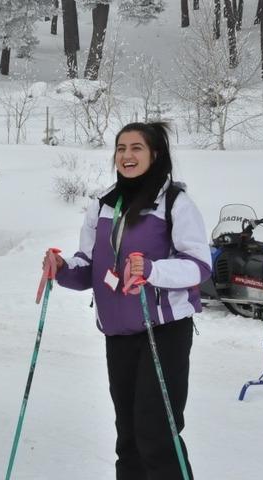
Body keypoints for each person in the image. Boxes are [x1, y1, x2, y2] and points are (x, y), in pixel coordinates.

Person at [47, 122, 211, 479]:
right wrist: (61, 268)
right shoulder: (105, 205)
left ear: (155, 154)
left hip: (163, 330)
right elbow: (88, 267)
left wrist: (152, 270)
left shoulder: (175, 203)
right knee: (129, 437)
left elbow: (200, 266)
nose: (126, 155)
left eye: (136, 148)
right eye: (121, 148)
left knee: (157, 432)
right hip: (118, 333)